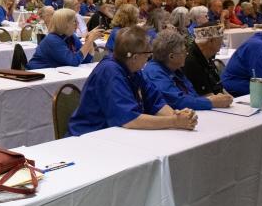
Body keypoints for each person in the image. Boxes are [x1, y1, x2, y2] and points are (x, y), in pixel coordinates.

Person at [68, 26, 198, 136]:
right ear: (135, 57)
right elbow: (130, 119)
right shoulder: (110, 71)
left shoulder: (133, 70)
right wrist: (174, 121)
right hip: (91, 137)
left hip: (115, 135)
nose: (149, 57)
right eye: (148, 53)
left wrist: (178, 114)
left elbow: (155, 102)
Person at [143, 30, 233, 110]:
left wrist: (212, 99)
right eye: (183, 51)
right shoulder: (154, 72)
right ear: (171, 56)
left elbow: (192, 94)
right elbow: (177, 101)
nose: (186, 54)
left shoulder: (174, 69)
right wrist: (211, 102)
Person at [27, 8, 102, 69]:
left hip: (54, 74)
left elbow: (86, 60)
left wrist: (90, 41)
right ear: (65, 24)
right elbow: (74, 61)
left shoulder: (71, 36)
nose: (77, 24)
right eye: (74, 21)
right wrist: (89, 41)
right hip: (38, 75)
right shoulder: (52, 40)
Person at [184, 23, 232, 97]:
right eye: (220, 39)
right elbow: (204, 96)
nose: (222, 43)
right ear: (211, 41)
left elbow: (219, 86)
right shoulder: (191, 62)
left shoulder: (207, 56)